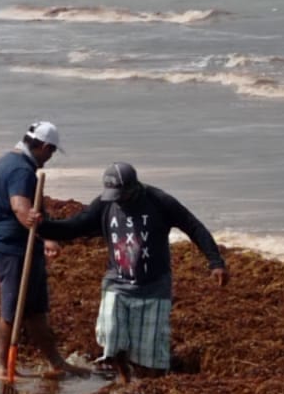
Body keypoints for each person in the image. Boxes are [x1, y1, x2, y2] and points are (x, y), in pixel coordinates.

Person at [34, 162, 229, 380]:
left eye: (121, 194)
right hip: (116, 284)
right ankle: (125, 377)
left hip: (154, 287)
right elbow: (74, 227)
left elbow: (194, 227)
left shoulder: (159, 201)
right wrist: (42, 225)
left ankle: (149, 383)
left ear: (133, 187)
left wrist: (216, 262)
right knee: (111, 338)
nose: (117, 199)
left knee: (150, 355)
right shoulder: (105, 204)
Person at [0, 120, 90, 379]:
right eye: (51, 152)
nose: (50, 157)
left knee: (35, 311)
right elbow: (19, 206)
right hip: (13, 248)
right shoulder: (21, 169)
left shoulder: (6, 160)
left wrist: (45, 237)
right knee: (13, 310)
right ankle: (3, 367)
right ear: (44, 146)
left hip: (23, 245)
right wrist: (32, 222)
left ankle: (57, 363)